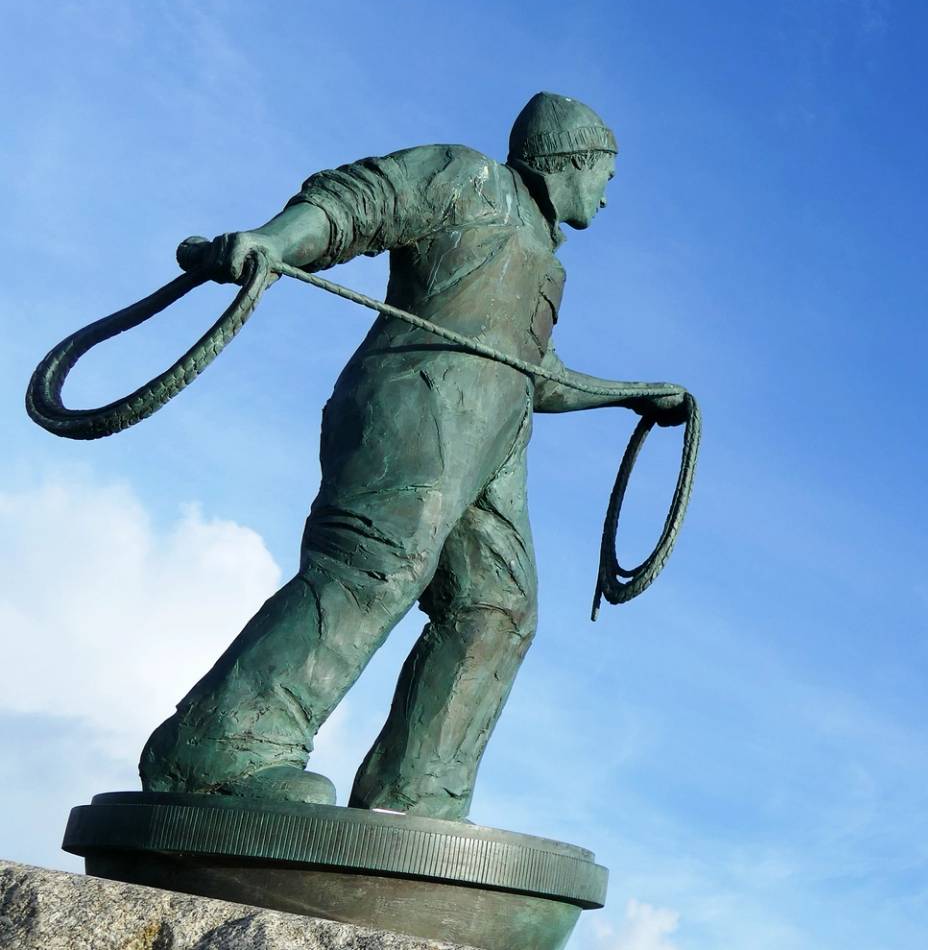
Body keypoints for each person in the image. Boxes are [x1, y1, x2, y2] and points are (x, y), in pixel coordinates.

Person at [140, 92, 684, 820]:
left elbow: (533, 372)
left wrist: (633, 394)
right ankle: (215, 749)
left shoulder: (547, 264)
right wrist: (274, 240)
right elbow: (361, 201)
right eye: (606, 177)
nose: (608, 198)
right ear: (574, 162)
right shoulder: (469, 178)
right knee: (374, 569)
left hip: (494, 444)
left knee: (498, 607)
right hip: (413, 408)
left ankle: (418, 791)